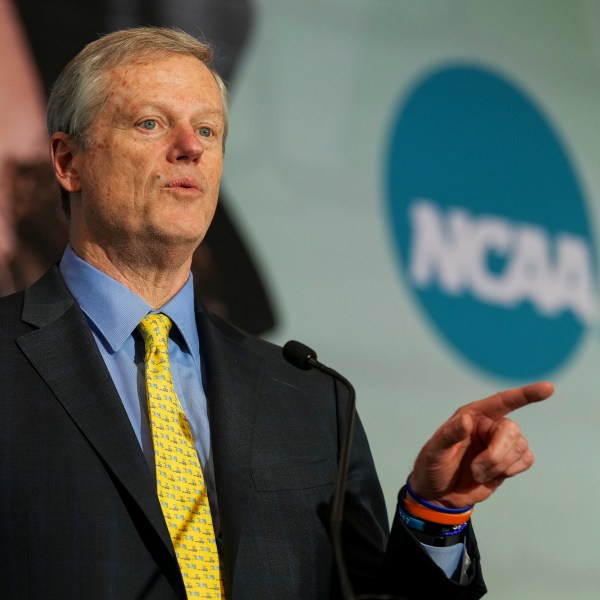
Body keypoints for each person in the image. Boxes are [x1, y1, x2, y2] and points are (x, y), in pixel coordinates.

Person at [0, 27, 553, 600]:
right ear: (68, 162)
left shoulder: (313, 399)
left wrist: (436, 513)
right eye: (151, 123)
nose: (190, 146)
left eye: (208, 130)